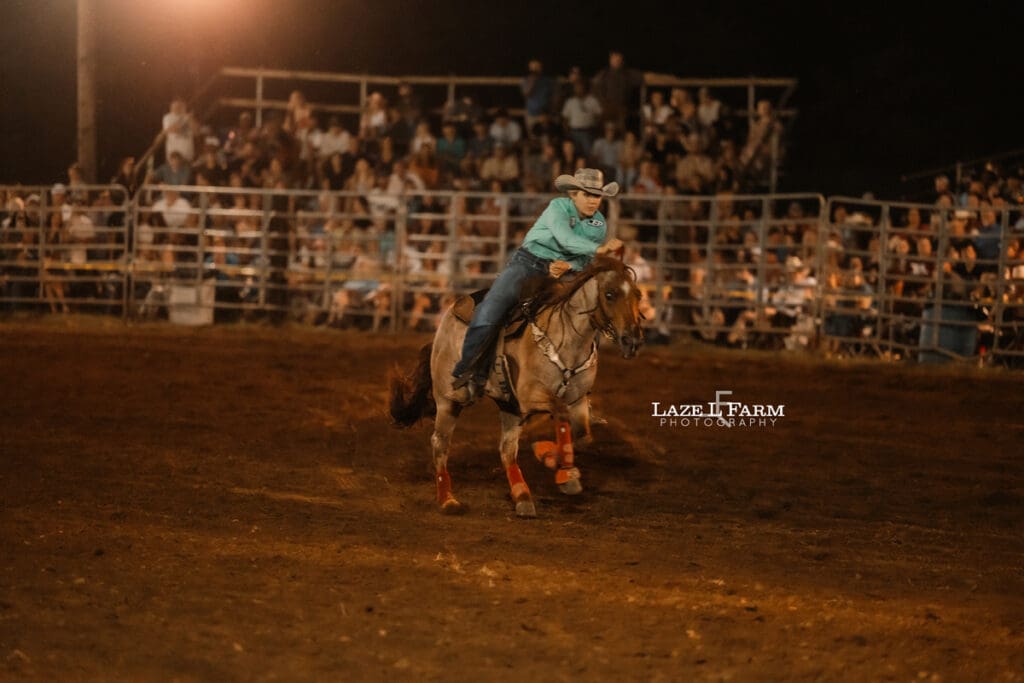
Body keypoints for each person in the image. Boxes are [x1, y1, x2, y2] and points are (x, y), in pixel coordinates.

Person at [451, 168, 623, 395]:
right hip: (528, 263)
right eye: (587, 194)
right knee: (492, 308)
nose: (593, 201)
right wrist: (599, 249)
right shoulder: (558, 207)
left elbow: (583, 259)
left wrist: (570, 266)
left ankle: (581, 381)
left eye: (597, 195)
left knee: (590, 314)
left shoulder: (598, 224)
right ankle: (468, 370)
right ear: (573, 194)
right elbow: (566, 239)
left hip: (564, 271)